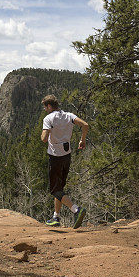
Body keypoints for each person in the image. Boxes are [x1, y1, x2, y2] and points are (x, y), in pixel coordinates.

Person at [40, 94, 89, 228]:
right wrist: (82, 140)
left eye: (45, 107)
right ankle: (56, 217)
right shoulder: (69, 115)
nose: (45, 109)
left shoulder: (48, 118)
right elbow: (85, 125)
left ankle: (76, 210)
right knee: (60, 188)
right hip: (67, 156)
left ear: (49, 106)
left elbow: (44, 139)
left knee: (55, 190)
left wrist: (45, 132)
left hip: (55, 157)